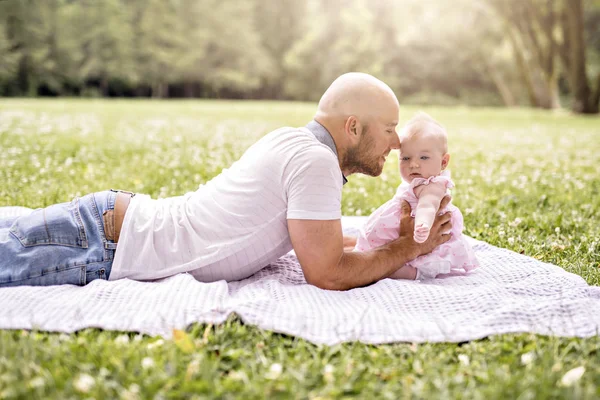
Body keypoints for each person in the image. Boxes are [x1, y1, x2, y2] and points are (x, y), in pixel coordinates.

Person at [0, 73, 453, 290]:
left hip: (109, 229)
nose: (396, 144)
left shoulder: (296, 144)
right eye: (390, 128)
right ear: (353, 127)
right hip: (103, 246)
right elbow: (328, 271)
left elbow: (319, 241)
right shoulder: (315, 163)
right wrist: (409, 247)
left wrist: (380, 239)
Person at [354, 112, 479, 280]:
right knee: (375, 258)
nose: (413, 164)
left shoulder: (432, 185)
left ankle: (415, 273)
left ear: (443, 162)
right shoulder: (418, 183)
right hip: (402, 233)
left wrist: (422, 225)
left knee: (389, 270)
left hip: (421, 232)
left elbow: (428, 205)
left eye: (424, 157)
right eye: (405, 158)